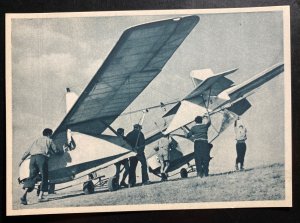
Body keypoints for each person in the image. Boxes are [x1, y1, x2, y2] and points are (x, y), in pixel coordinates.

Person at [19, 128, 60, 205]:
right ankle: (40, 197)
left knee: (31, 177)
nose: (51, 136)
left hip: (33, 159)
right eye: (51, 134)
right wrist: (61, 152)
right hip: (41, 158)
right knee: (45, 176)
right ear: (49, 134)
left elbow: (28, 151)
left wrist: (22, 160)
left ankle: (24, 196)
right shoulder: (49, 140)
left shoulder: (36, 140)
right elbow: (56, 150)